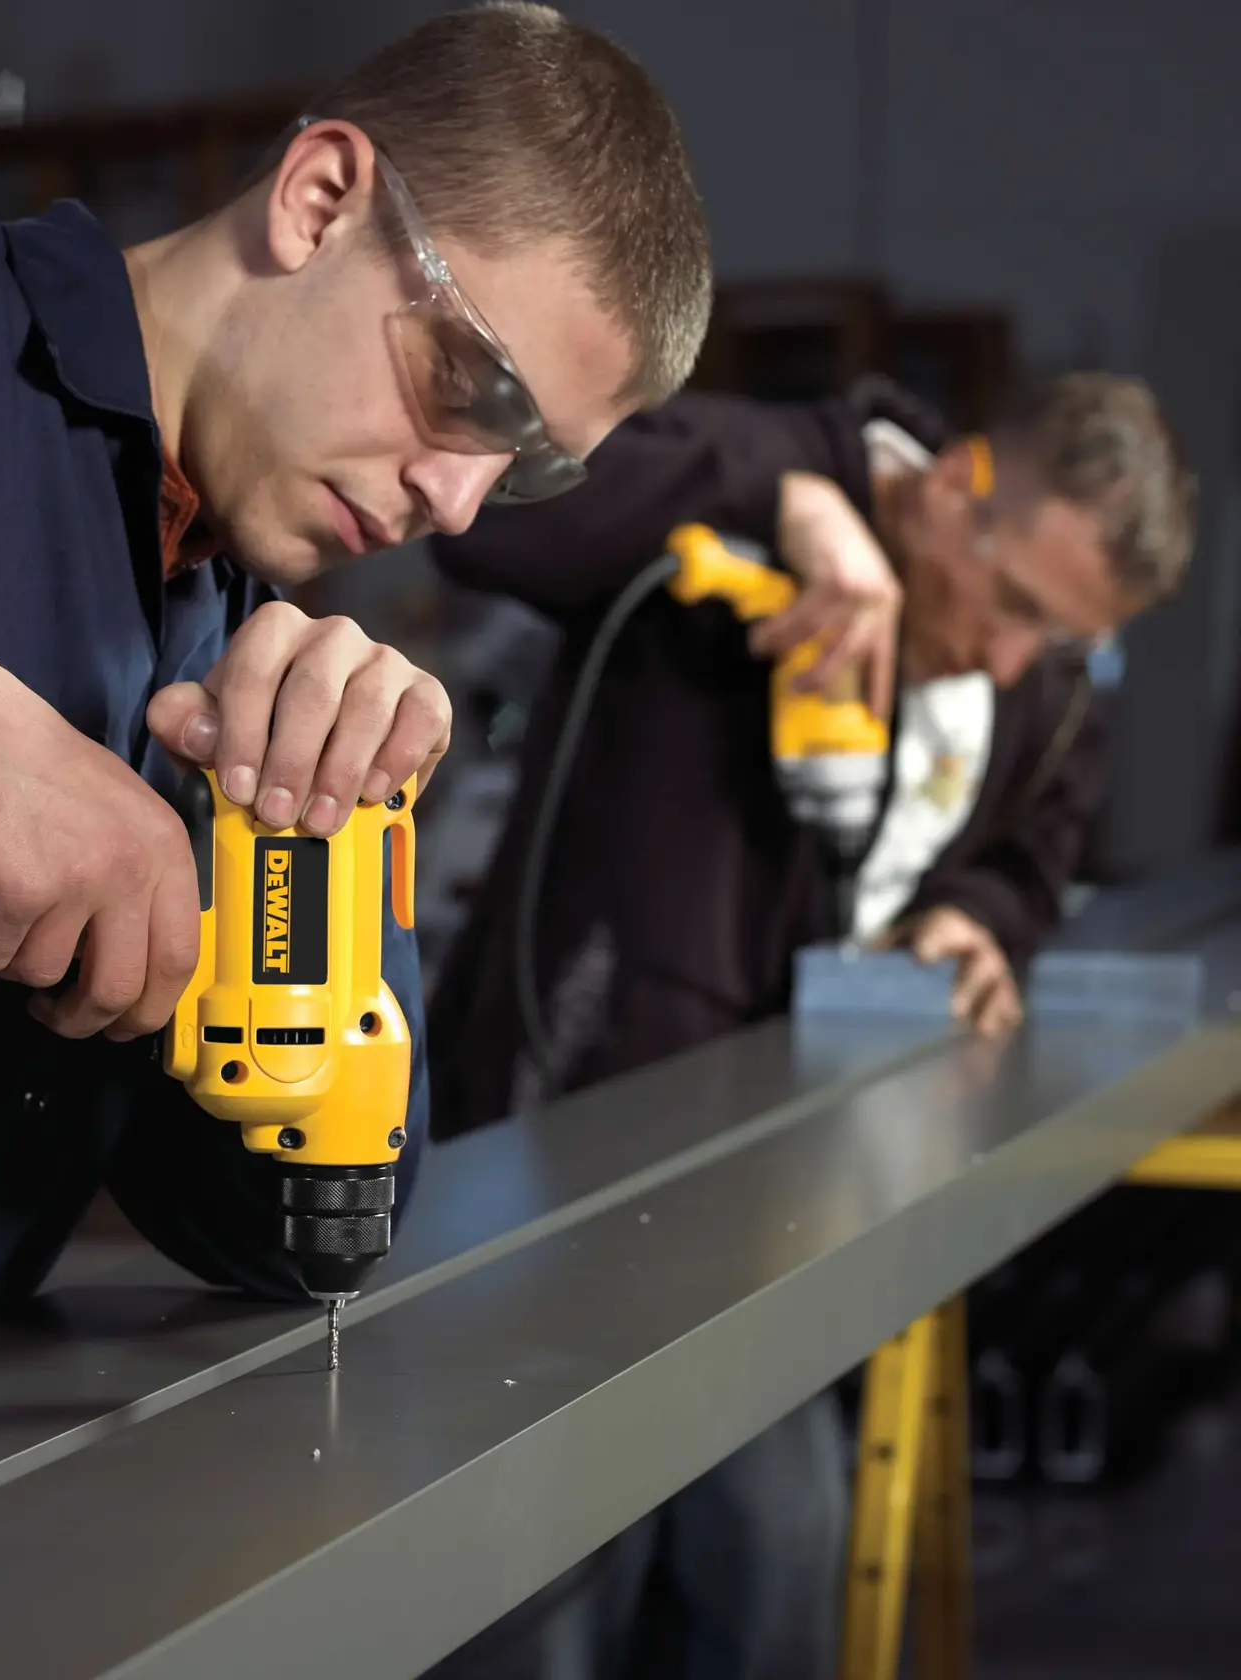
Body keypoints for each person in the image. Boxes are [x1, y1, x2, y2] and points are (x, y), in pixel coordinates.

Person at [0, 2, 711, 1455]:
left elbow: (303, 1244)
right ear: (320, 199)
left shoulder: (242, 686)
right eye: (468, 391)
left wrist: (323, 878)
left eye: (526, 469)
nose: (458, 500)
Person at [425, 371, 1194, 1678]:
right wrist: (786, 499)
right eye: (1015, 606)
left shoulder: (1042, 683)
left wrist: (977, 919)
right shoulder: (754, 478)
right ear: (950, 488)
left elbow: (1036, 843)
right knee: (552, 1601)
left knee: (779, 1564)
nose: (1014, 661)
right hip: (574, 1149)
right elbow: (489, 518)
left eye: (1063, 643)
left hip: (781, 1213)